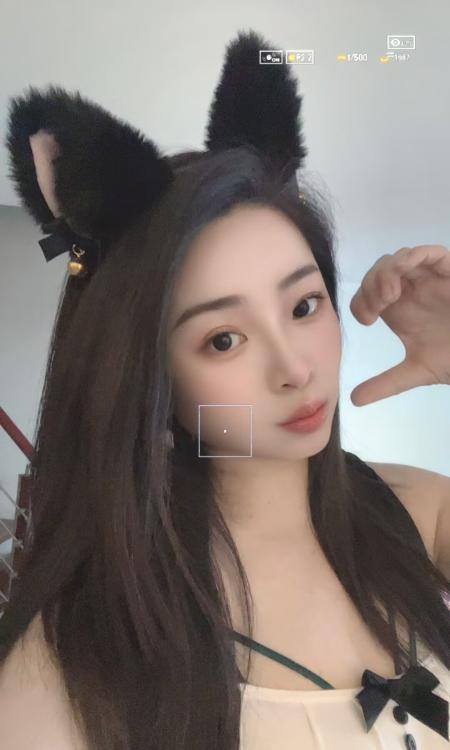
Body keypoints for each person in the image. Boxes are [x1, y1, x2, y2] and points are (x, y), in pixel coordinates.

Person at [0, 28, 449, 750]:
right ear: (148, 377)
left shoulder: (417, 512)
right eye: (223, 339)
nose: (294, 367)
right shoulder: (73, 660)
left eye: (303, 305)